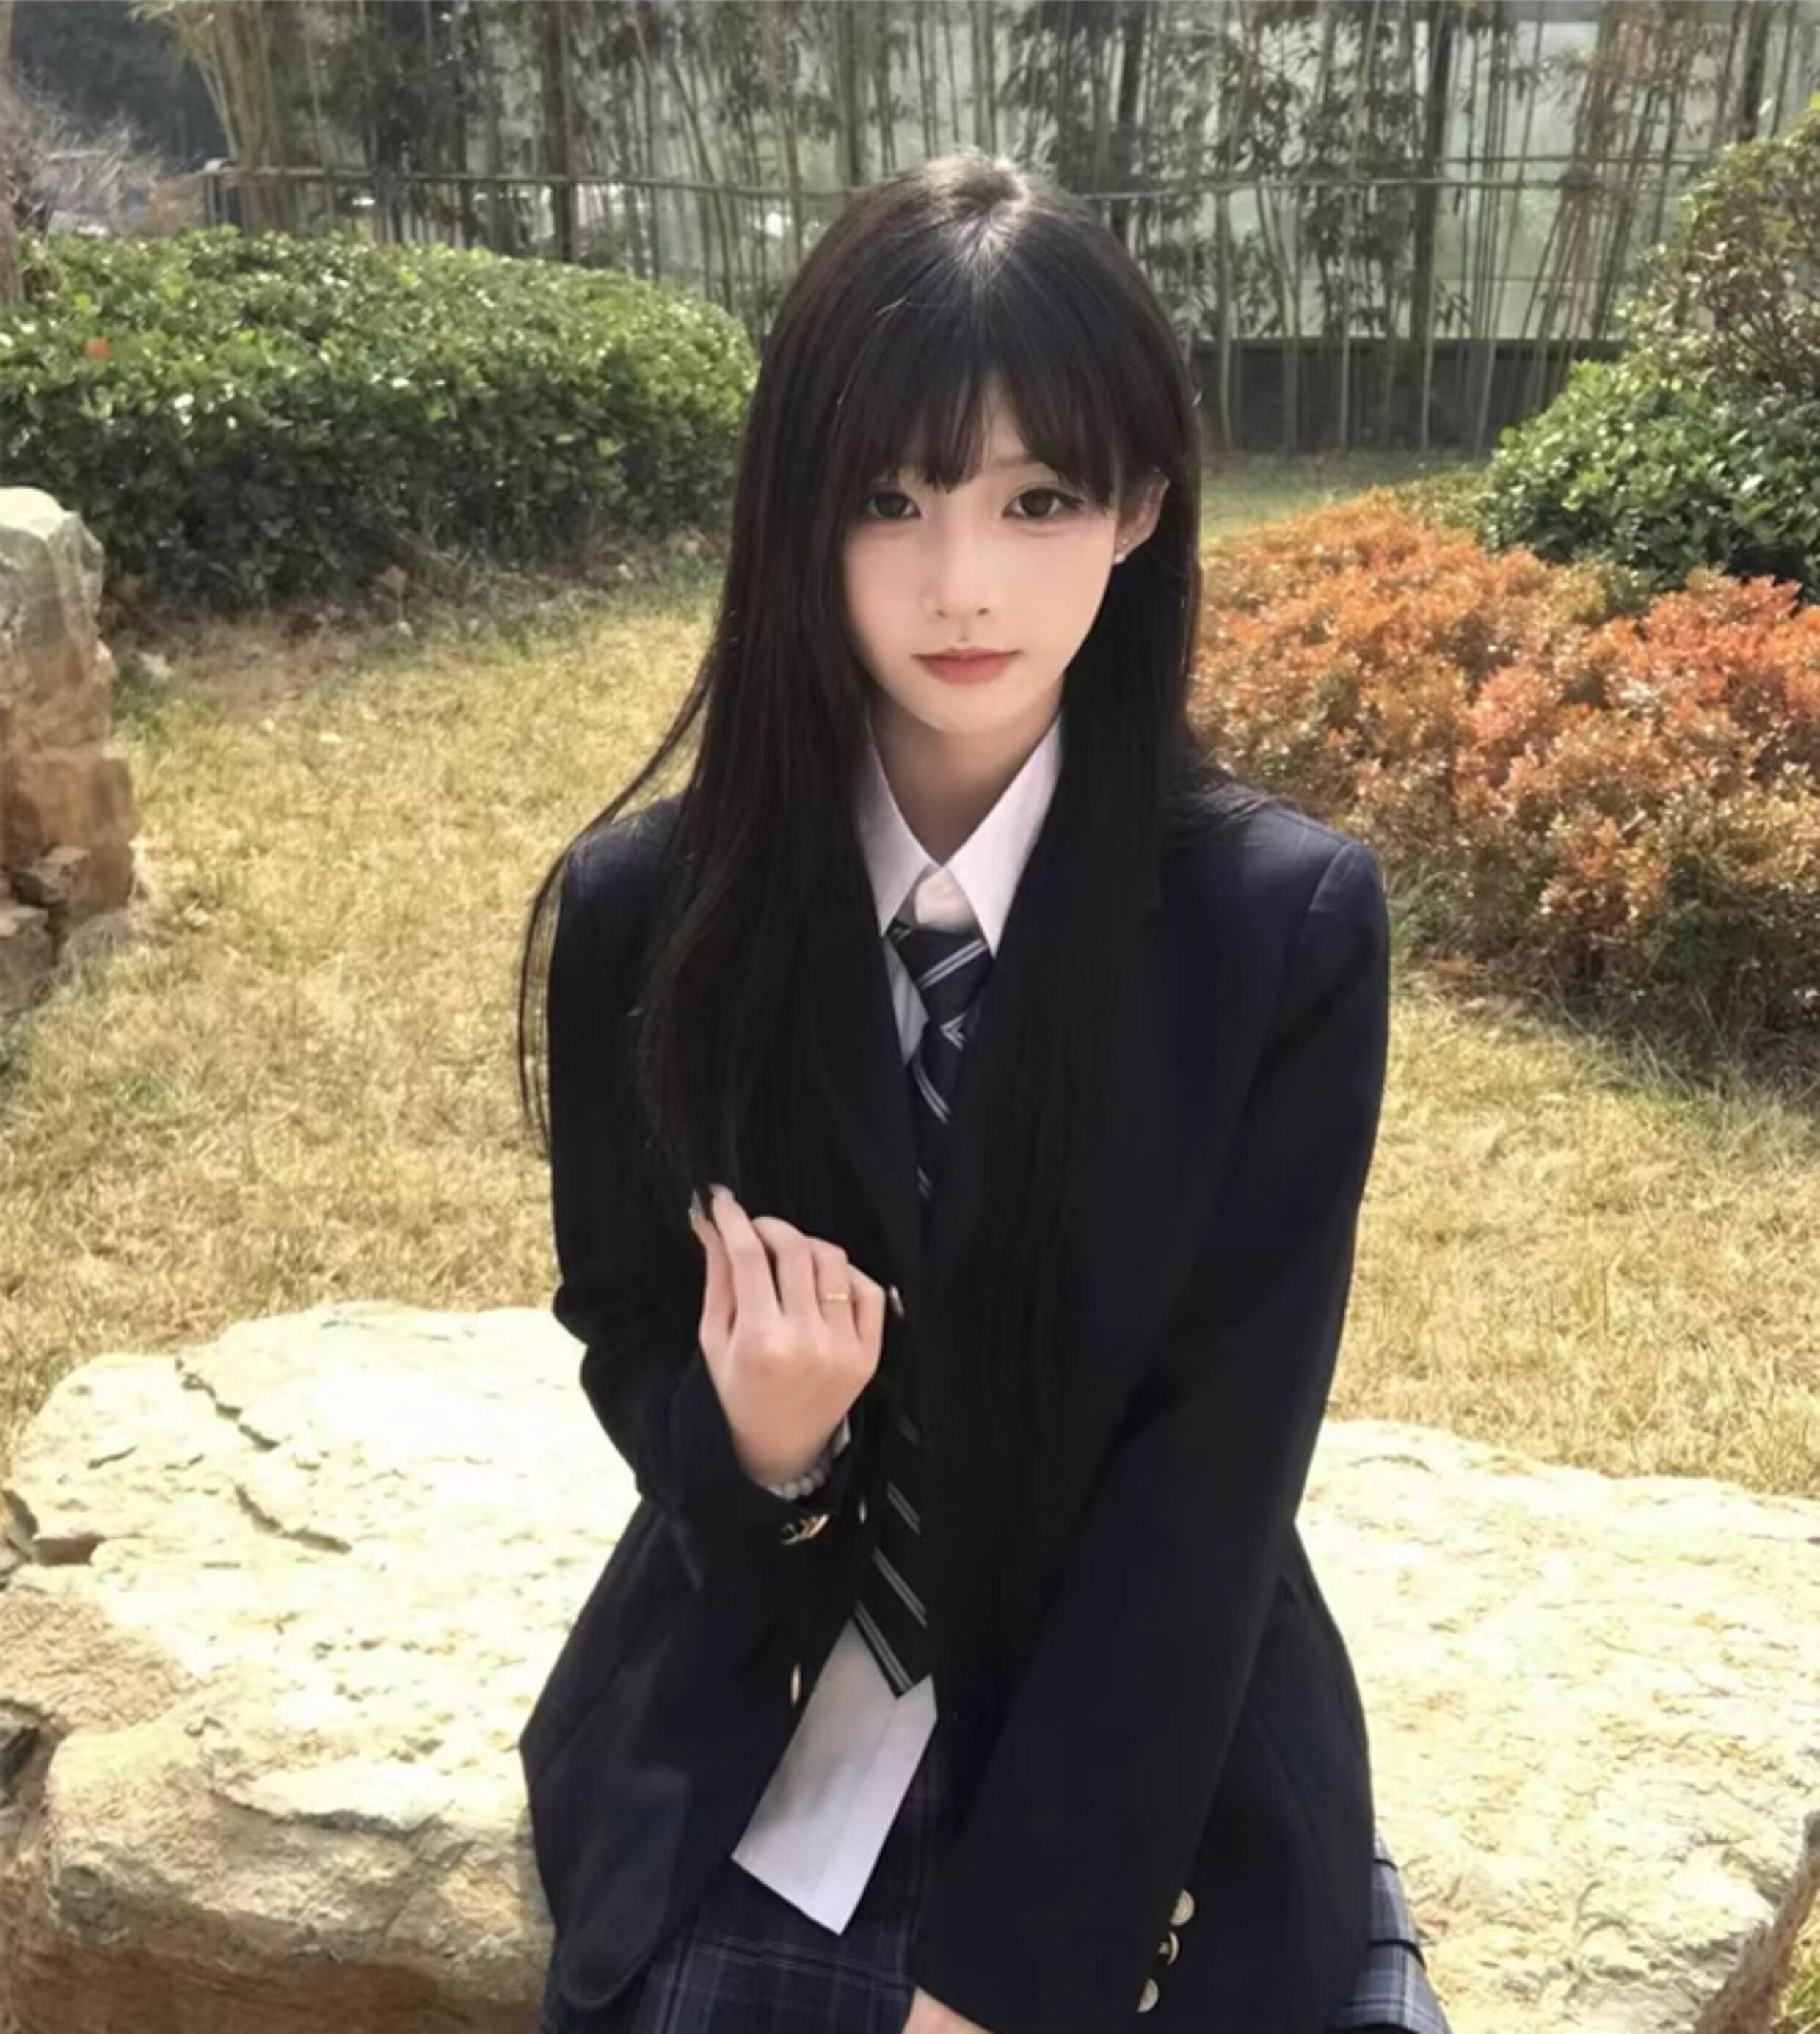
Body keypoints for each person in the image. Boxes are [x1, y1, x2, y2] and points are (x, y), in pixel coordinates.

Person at [514, 149, 1452, 2034]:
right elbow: (626, 1319)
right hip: (750, 1722)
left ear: (1138, 509)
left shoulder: (1275, 932)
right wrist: (765, 1451)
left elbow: (1210, 1478)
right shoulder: (649, 916)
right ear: (796, 515)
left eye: (1036, 499)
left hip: (1151, 1757)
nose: (961, 583)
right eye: (889, 498)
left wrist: (1015, 1982)